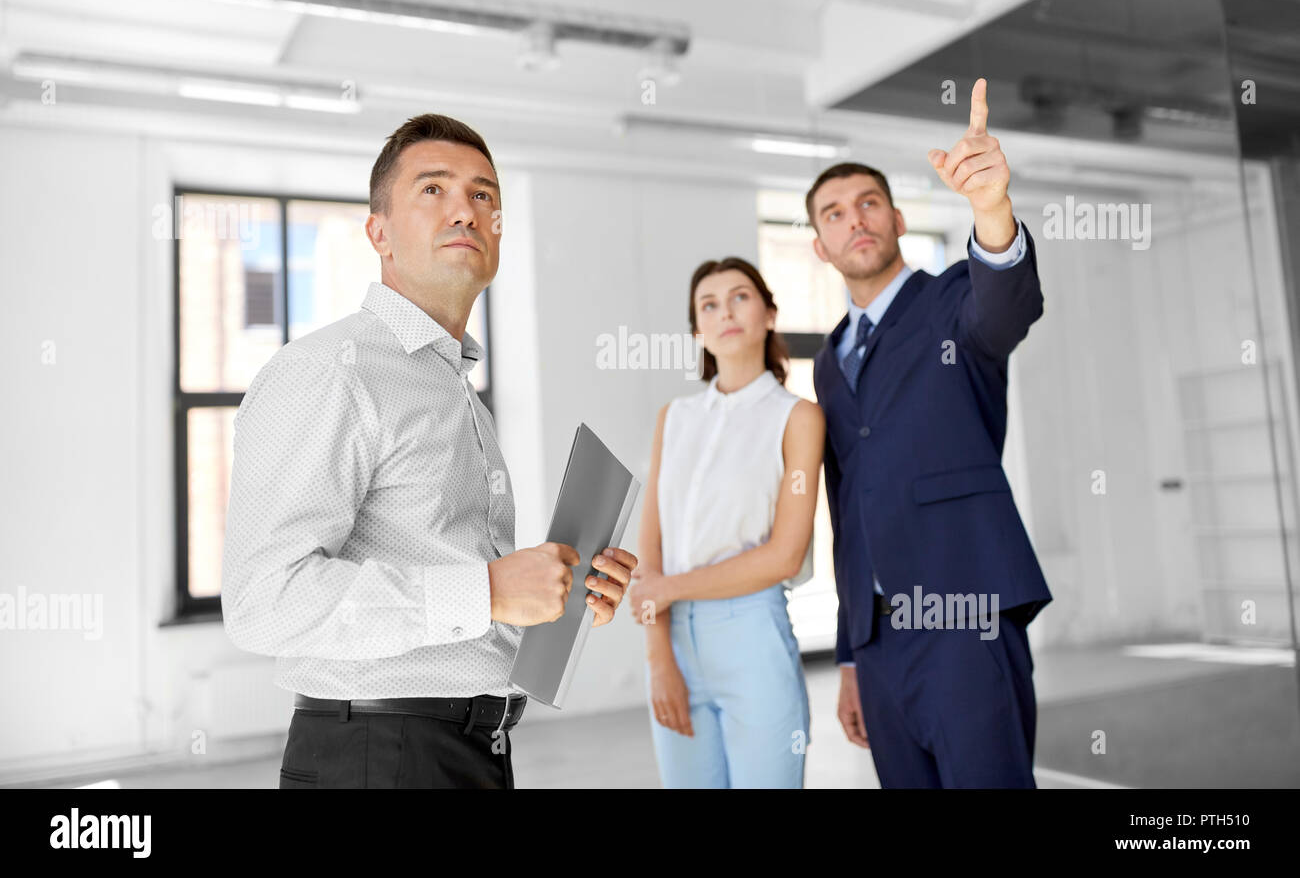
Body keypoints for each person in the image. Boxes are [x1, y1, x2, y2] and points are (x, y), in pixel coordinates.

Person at [221, 113, 638, 789]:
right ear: (378, 232)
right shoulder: (333, 370)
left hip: (466, 749)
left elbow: (456, 592)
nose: (466, 211)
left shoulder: (455, 392)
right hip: (380, 757)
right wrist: (488, 589)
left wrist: (553, 592)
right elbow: (261, 600)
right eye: (433, 189)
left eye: (483, 195)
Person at [810, 78, 1052, 787]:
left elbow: (1005, 308)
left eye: (868, 204)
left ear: (898, 218)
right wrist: (852, 656)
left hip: (966, 611)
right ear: (820, 246)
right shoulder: (827, 360)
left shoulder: (951, 300)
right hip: (881, 642)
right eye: (833, 213)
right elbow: (845, 508)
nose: (854, 219)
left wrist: (990, 207)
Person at [628, 256, 824, 788]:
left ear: (768, 313)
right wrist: (658, 657)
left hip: (753, 638)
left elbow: (783, 555)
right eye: (708, 305)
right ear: (697, 330)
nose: (725, 312)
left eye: (740, 296)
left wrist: (666, 590)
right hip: (674, 646)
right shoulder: (675, 417)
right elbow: (651, 552)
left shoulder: (797, 417)